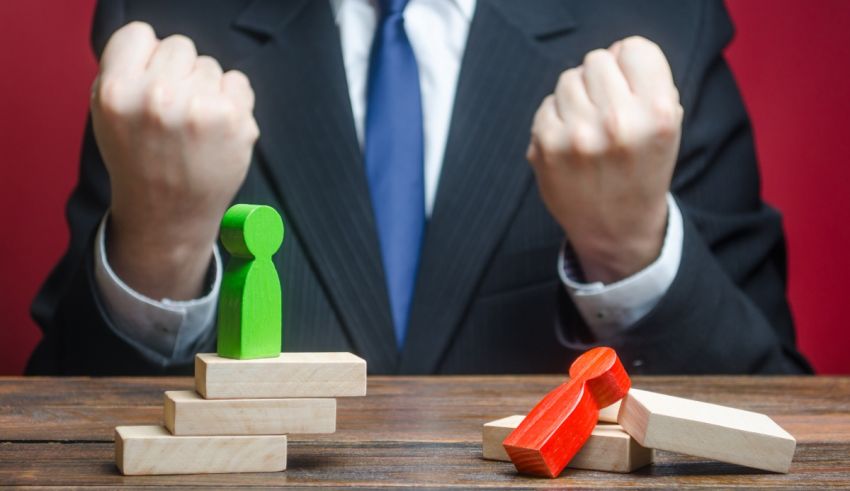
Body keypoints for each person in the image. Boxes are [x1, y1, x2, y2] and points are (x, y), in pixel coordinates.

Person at [27, 0, 811, 375]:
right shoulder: (168, 27)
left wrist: (633, 252)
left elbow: (779, 416)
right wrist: (158, 246)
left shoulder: (663, 24)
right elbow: (59, 432)